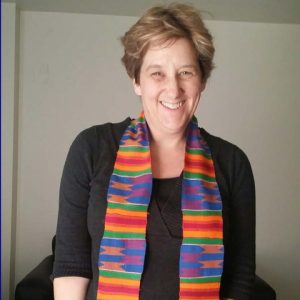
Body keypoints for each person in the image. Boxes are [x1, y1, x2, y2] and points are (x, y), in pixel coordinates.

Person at [53, 3, 255, 300]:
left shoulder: (233, 163)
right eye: (157, 73)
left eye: (185, 72)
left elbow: (239, 277)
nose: (173, 89)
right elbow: (72, 264)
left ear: (202, 80)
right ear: (136, 80)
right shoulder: (91, 148)